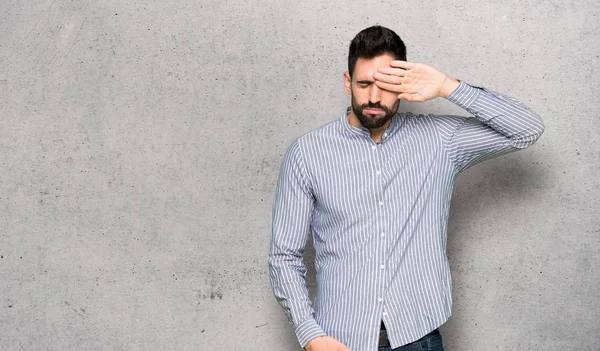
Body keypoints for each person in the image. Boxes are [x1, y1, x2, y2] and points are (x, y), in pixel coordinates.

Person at [268, 25, 544, 351]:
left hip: (418, 338)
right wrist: (310, 334)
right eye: (364, 84)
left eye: (386, 85)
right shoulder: (308, 153)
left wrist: (447, 87)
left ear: (402, 85)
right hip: (339, 341)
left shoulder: (440, 141)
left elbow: (526, 130)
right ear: (347, 82)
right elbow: (284, 256)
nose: (373, 97)